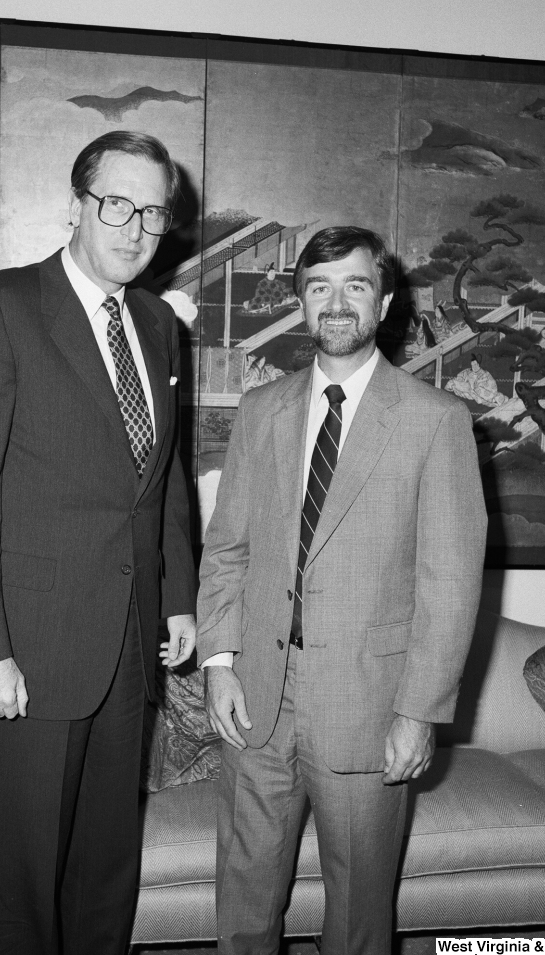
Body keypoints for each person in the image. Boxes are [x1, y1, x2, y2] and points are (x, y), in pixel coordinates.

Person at [0, 130, 198, 955]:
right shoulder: (1, 305)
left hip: (129, 637)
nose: (134, 228)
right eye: (116, 204)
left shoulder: (157, 324)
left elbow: (165, 476)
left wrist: (180, 595)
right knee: (27, 868)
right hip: (31, 648)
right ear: (77, 204)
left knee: (107, 860)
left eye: (153, 213)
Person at [197, 226, 487, 955]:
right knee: (243, 901)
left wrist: (419, 711)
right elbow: (227, 547)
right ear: (299, 303)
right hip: (257, 697)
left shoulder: (437, 422)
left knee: (358, 915)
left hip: (369, 704)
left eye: (355, 286)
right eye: (319, 287)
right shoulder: (262, 411)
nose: (336, 302)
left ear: (384, 302)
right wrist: (219, 661)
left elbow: (449, 585)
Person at [445, 353, 509, 407]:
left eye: (475, 364)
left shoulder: (484, 373)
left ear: (478, 364)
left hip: (483, 389)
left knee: (479, 390)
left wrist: (477, 383)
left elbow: (489, 382)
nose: (474, 366)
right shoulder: (468, 371)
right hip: (471, 389)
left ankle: (494, 398)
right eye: (472, 365)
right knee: (456, 383)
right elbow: (460, 377)